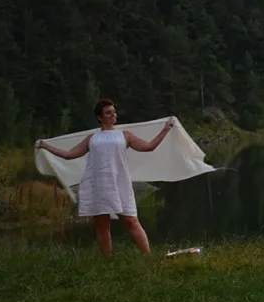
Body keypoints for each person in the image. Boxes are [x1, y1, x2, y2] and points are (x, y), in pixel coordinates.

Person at [34, 99, 173, 255]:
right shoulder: (92, 138)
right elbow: (69, 155)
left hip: (119, 183)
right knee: (102, 226)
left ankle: (148, 258)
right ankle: (107, 261)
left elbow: (149, 147)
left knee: (131, 221)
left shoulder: (124, 135)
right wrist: (45, 146)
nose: (113, 114)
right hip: (98, 184)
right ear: (99, 117)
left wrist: (165, 130)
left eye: (114, 111)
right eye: (108, 112)